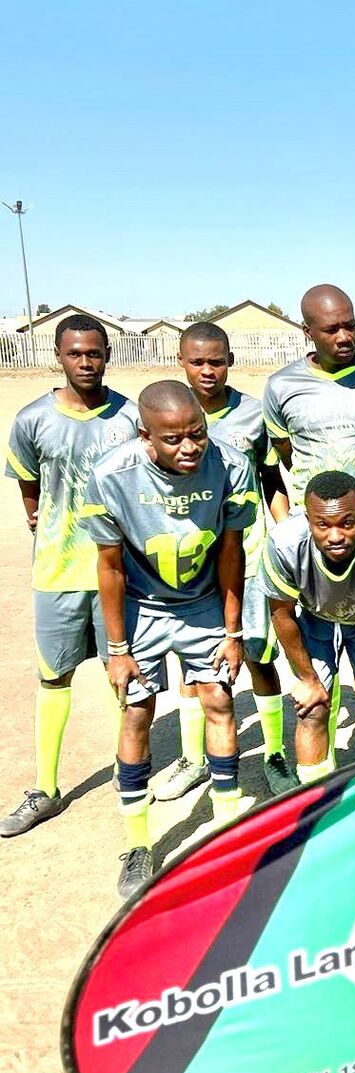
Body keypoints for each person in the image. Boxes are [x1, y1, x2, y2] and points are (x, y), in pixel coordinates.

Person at [82, 381, 258, 898]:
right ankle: (138, 844)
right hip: (140, 606)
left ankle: (225, 831)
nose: (189, 447)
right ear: (145, 436)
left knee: (219, 701)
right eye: (173, 438)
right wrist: (118, 650)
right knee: (137, 712)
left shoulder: (231, 465)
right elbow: (109, 567)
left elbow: (231, 552)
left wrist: (232, 631)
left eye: (197, 434)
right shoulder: (110, 476)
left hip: (203, 603)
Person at [1, 315, 138, 837]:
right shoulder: (32, 419)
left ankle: (129, 775)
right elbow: (29, 486)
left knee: (121, 674)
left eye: (94, 353)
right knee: (52, 676)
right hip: (57, 571)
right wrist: (42, 520)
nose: (85, 362)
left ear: (108, 355)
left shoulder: (130, 417)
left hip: (118, 574)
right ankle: (46, 789)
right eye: (75, 353)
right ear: (58, 356)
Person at [154, 322, 295, 801]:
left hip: (248, 558)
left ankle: (274, 753)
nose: (208, 370)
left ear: (230, 360)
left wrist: (285, 536)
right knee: (195, 664)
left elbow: (271, 480)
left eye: (216, 361)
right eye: (197, 362)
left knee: (258, 655)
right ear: (181, 362)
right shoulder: (167, 416)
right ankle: (194, 758)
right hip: (190, 565)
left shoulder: (252, 416)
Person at [259, 471, 355, 782]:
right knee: (312, 707)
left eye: (347, 523)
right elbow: (282, 615)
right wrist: (308, 679)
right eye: (323, 525)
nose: (336, 535)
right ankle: (317, 799)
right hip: (316, 619)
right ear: (307, 520)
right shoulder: (283, 544)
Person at [262, 284, 355, 520]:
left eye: (350, 326)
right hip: (316, 522)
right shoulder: (280, 386)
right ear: (307, 331)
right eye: (331, 330)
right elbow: (286, 451)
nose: (344, 337)